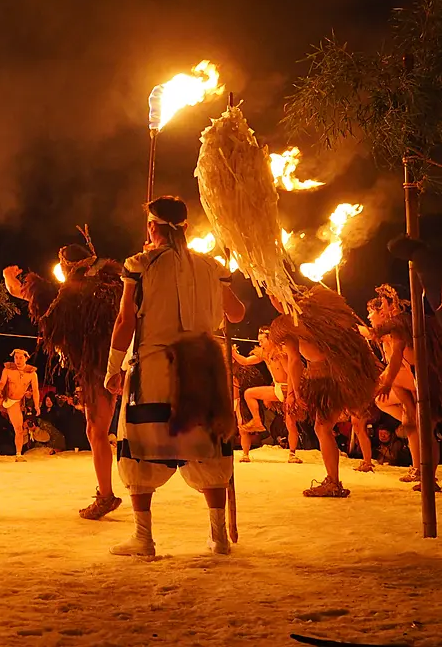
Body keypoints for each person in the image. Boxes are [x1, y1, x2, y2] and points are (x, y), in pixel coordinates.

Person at [106, 196, 246, 557]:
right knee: (206, 445)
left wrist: (112, 367)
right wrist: (216, 280)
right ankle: (219, 538)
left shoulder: (140, 264)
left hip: (154, 365)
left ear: (152, 227)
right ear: (186, 227)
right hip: (202, 365)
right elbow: (237, 313)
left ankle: (144, 538)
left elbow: (125, 320)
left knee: (140, 444)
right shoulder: (211, 266)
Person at [3, 227, 123, 518]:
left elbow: (32, 297)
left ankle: (106, 496)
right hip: (128, 361)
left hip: (103, 368)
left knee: (96, 431)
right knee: (99, 431)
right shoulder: (117, 284)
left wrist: (9, 278)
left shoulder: (71, 294)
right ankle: (109, 492)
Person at [268, 284, 380, 498]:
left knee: (322, 428)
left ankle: (333, 482)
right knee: (323, 428)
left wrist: (295, 393)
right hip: (337, 375)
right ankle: (332, 480)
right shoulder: (317, 316)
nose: (271, 301)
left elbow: (294, 361)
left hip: (326, 379)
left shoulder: (287, 324)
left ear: (281, 298)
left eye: (273, 296)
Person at [362, 284, 442, 490]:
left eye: (376, 309)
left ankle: (428, 478)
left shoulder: (401, 324)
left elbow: (397, 359)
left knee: (426, 428)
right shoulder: (401, 325)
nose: (371, 315)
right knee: (417, 424)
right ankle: (424, 473)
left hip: (427, 380)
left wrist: (387, 382)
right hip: (420, 380)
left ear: (390, 305)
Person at [232, 329, 304, 464]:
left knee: (290, 423)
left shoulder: (281, 354)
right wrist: (233, 353)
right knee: (249, 393)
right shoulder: (265, 355)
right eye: (258, 341)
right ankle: (257, 421)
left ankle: (292, 454)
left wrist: (291, 395)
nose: (260, 344)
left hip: (288, 388)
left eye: (262, 341)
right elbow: (246, 361)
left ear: (270, 339)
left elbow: (291, 375)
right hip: (277, 388)